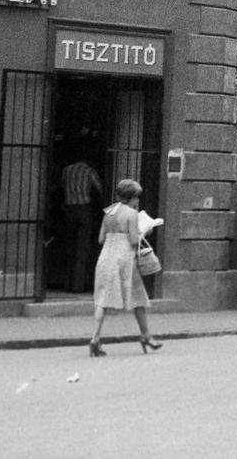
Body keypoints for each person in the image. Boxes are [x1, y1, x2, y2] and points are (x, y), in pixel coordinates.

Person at [86, 178, 160, 357]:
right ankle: (146, 336)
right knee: (138, 296)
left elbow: (100, 239)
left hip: (106, 257)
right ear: (131, 197)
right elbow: (134, 241)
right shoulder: (131, 214)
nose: (138, 200)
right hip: (125, 258)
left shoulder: (109, 212)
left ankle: (95, 339)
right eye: (137, 197)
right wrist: (146, 231)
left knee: (102, 300)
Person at [61, 153, 103, 293]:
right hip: (84, 209)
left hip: (69, 208)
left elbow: (61, 186)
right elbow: (99, 189)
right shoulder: (89, 171)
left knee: (70, 246)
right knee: (82, 247)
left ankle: (67, 284)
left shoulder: (66, 170)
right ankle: (78, 286)